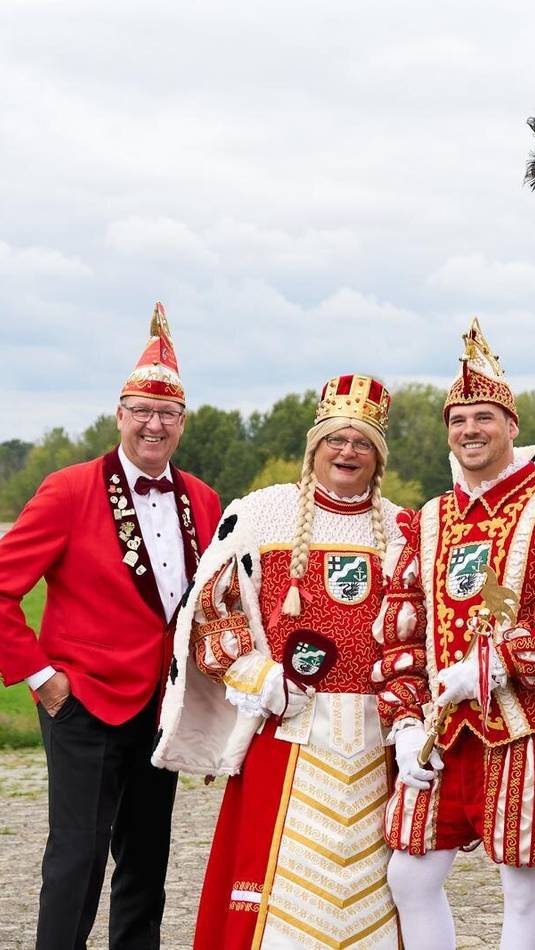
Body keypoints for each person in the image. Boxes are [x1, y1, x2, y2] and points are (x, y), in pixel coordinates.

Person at [374, 319, 535, 950]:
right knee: (409, 875)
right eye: (457, 420)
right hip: (442, 731)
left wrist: (495, 663)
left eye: (484, 417)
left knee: (521, 886)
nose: (469, 431)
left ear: (512, 426)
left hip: (528, 728)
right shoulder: (429, 520)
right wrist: (404, 724)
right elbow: (398, 632)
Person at [153, 374, 406, 949]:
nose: (348, 452)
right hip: (286, 734)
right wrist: (261, 678)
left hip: (376, 745)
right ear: (313, 448)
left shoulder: (401, 527)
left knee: (377, 889)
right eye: (335, 440)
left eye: (362, 442)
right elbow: (207, 615)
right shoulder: (262, 513)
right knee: (279, 888)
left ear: (378, 457)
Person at [0, 303, 221, 950]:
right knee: (78, 856)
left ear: (183, 422)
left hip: (162, 707)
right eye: (142, 412)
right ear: (119, 415)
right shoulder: (69, 489)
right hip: (85, 699)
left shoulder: (201, 500)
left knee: (148, 861)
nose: (155, 424)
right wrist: (41, 677)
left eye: (168, 414)